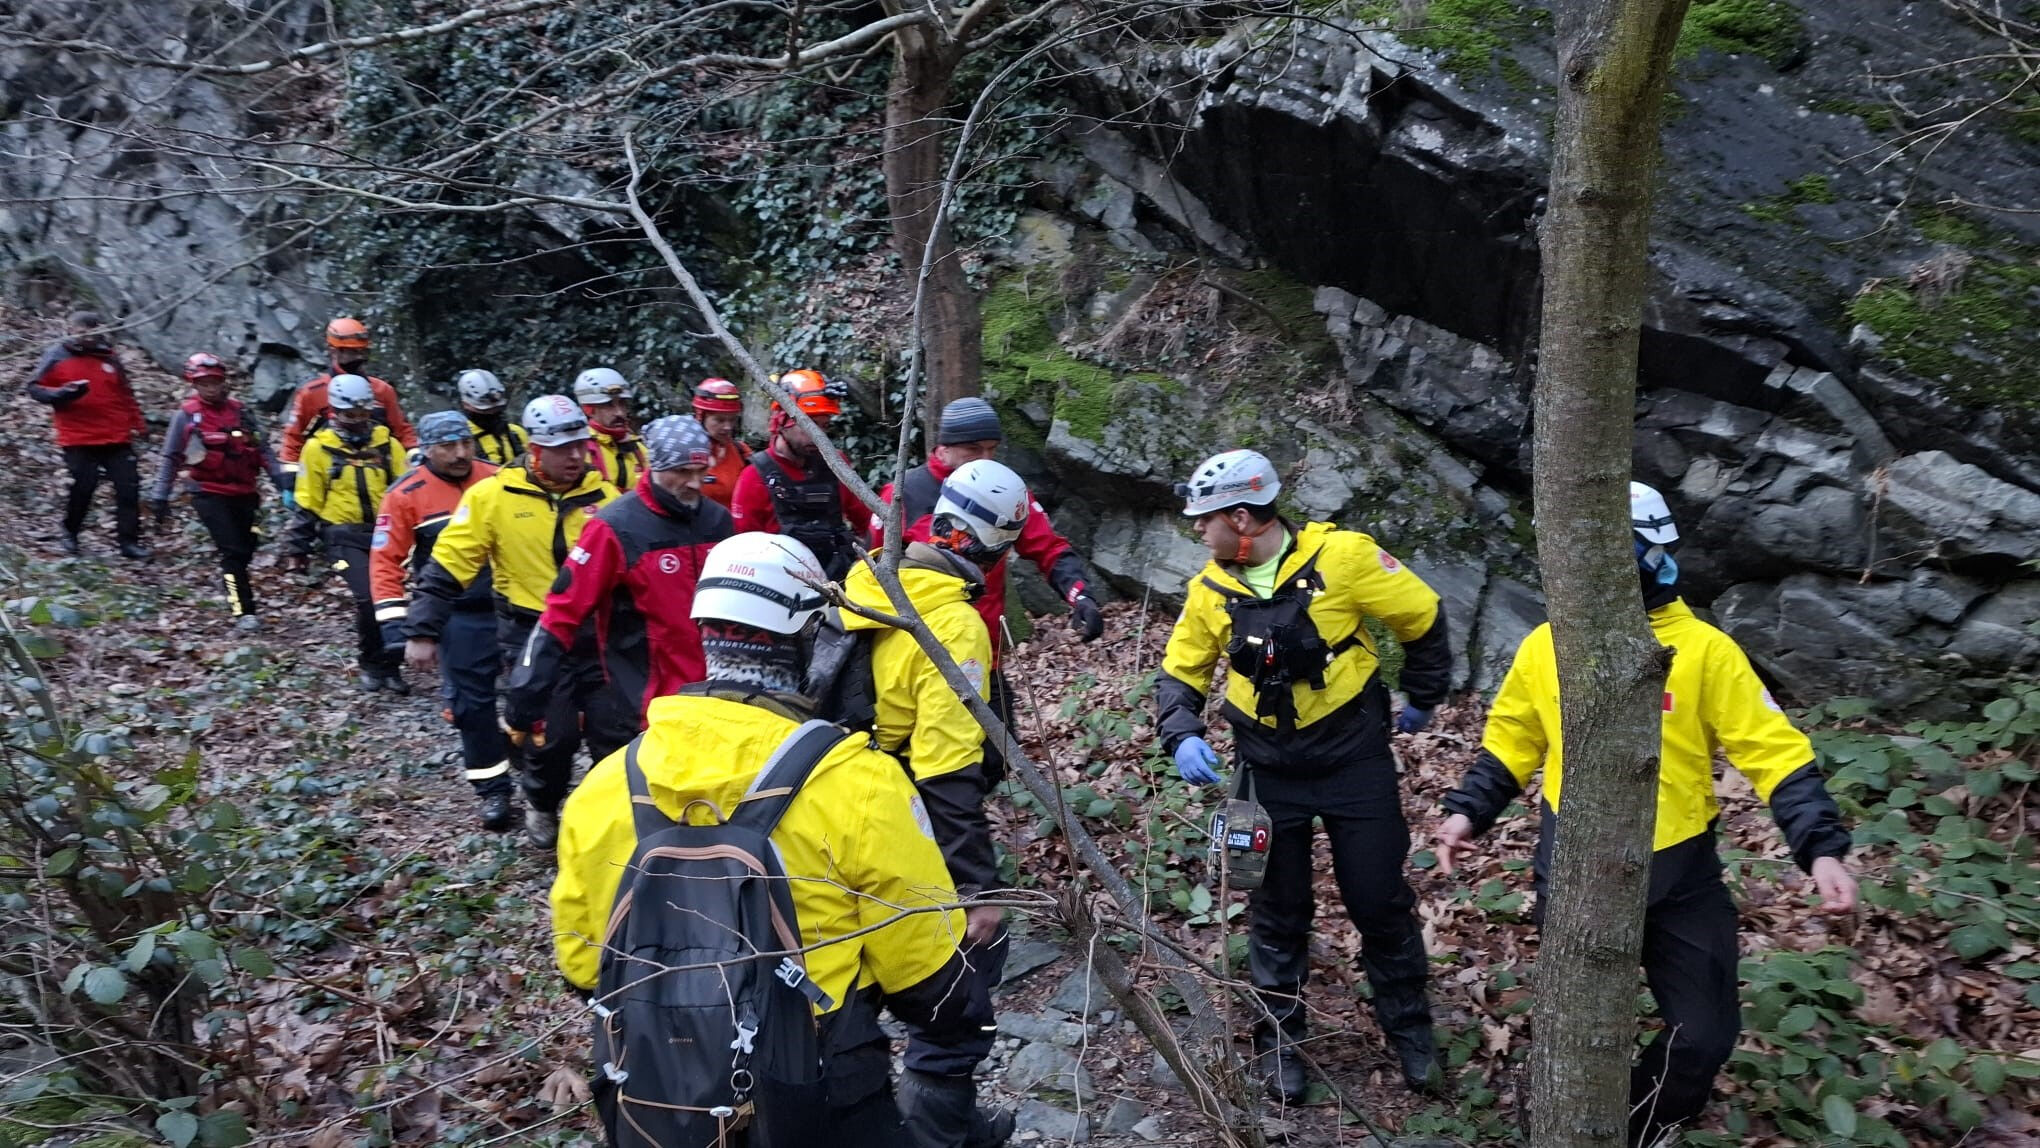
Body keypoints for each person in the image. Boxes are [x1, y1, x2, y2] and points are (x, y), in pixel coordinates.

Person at [1435, 482, 1857, 1147]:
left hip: (1682, 869)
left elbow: (1774, 752)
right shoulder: (1549, 646)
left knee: (1705, 1035)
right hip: (1575, 865)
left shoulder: (1706, 652)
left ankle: (1637, 1127)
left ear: (1650, 555)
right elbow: (1513, 738)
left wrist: (1821, 849)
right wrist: (1468, 812)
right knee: (1580, 1029)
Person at [550, 532, 1004, 1148]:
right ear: (810, 636)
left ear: (704, 631)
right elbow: (923, 965)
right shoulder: (855, 779)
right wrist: (957, 1027)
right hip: (819, 1073)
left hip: (656, 1075)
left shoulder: (607, 784)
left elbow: (582, 960)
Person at [1154, 448, 1452, 1102]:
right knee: (1274, 910)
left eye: (1205, 520)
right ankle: (1279, 1044)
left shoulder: (1344, 558)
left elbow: (1422, 615)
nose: (1198, 531)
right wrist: (1181, 732)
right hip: (1262, 769)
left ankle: (1412, 1034)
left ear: (1241, 518)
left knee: (1379, 901)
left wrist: (1425, 694)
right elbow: (1180, 671)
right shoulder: (1209, 590)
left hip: (1355, 763)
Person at [835, 460, 1024, 1140]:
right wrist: (976, 888)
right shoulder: (951, 622)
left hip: (831, 800)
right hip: (898, 814)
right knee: (960, 987)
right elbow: (947, 772)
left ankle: (943, 1118)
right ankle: (939, 1132)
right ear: (996, 546)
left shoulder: (869, 582)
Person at [403, 395, 622, 848]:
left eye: (579, 446)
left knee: (615, 732)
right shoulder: (493, 497)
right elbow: (449, 564)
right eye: (562, 449)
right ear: (536, 449)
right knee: (553, 736)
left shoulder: (607, 499)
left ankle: (615, 819)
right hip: (531, 633)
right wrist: (422, 629)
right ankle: (542, 802)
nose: (575, 457)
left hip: (599, 634)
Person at [505, 415, 732, 731]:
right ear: (655, 467)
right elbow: (563, 611)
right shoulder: (615, 527)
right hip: (645, 706)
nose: (695, 483)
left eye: (701, 470)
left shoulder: (719, 521)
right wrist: (526, 694)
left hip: (716, 696)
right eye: (682, 471)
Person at [369, 412, 516, 831]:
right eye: (448, 446)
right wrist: (400, 629)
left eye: (465, 443)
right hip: (457, 613)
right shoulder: (406, 495)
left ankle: (523, 748)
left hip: (512, 605)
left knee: (534, 691)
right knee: (471, 706)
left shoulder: (500, 477)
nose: (460, 453)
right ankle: (493, 789)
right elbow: (385, 562)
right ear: (427, 449)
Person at [875, 397, 1105, 651]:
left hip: (984, 647)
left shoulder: (1005, 493)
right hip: (916, 648)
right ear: (945, 447)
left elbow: (1049, 548)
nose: (985, 458)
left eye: (992, 449)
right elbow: (871, 570)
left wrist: (1081, 596)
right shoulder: (903, 494)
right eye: (973, 449)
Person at [148, 353, 288, 627]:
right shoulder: (186, 416)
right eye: (204, 383)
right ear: (194, 384)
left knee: (247, 547)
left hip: (245, 492)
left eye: (214, 382)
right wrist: (160, 495)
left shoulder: (241, 412)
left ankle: (230, 579)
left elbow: (262, 448)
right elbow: (171, 456)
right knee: (232, 551)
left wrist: (281, 479)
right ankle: (243, 610)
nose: (210, 388)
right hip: (208, 492)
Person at [291, 374, 409, 692]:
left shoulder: (387, 445)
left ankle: (391, 666)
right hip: (341, 535)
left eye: (362, 413)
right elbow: (308, 500)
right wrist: (298, 548)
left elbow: (406, 490)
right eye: (350, 415)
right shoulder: (318, 449)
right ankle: (371, 663)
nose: (357, 421)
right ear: (335, 412)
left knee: (391, 599)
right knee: (368, 598)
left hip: (384, 534)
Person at [27, 310, 150, 559]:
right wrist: (61, 394)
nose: (88, 337)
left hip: (117, 435)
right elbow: (35, 388)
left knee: (128, 489)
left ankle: (128, 542)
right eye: (82, 332)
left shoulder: (110, 357)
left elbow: (125, 393)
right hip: (78, 437)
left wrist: (139, 425)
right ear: (71, 330)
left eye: (93, 331)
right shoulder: (57, 354)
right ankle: (70, 533)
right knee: (83, 487)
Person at [729, 369, 864, 579]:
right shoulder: (754, 477)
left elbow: (867, 519)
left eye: (824, 426)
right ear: (782, 420)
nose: (818, 435)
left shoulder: (836, 463)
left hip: (839, 581)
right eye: (809, 425)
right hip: (779, 584)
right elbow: (743, 552)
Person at [279, 317, 418, 475]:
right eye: (352, 352)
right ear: (333, 350)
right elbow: (293, 438)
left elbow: (402, 431)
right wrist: (291, 475)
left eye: (362, 351)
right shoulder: (313, 394)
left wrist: (415, 456)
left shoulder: (382, 391)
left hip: (377, 473)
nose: (358, 357)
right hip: (328, 475)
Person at [571, 366, 647, 492]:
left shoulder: (638, 449)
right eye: (608, 405)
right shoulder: (579, 452)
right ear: (588, 409)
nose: (620, 413)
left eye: (622, 403)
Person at [691, 376, 751, 510]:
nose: (728, 427)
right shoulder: (683, 454)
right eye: (720, 420)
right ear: (700, 416)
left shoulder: (742, 452)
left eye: (732, 420)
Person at [457, 368, 527, 465]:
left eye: (497, 408)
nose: (492, 413)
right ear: (466, 404)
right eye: (485, 410)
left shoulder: (516, 433)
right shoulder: (461, 442)